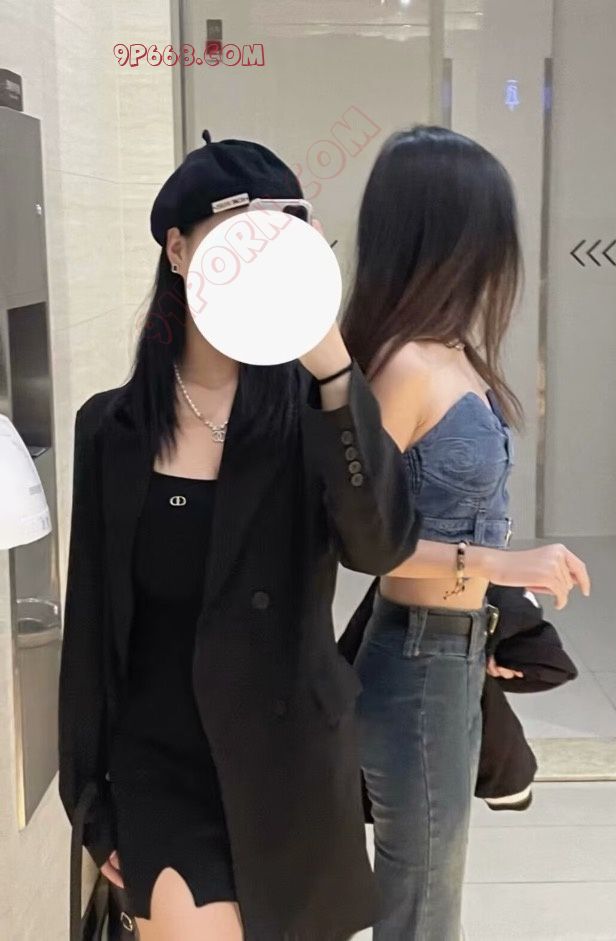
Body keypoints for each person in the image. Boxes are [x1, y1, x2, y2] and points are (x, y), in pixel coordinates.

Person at [57, 131, 421, 941]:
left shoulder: (316, 414)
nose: (256, 263)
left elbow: (380, 545)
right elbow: (93, 629)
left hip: (291, 764)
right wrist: (89, 797)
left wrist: (334, 367)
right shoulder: (110, 430)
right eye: (237, 241)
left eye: (277, 242)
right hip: (161, 768)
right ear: (178, 250)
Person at [341, 125, 591, 940]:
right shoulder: (404, 365)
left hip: (449, 650)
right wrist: (501, 562)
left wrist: (491, 604)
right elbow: (359, 540)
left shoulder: (448, 351)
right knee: (422, 899)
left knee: (428, 887)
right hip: (416, 657)